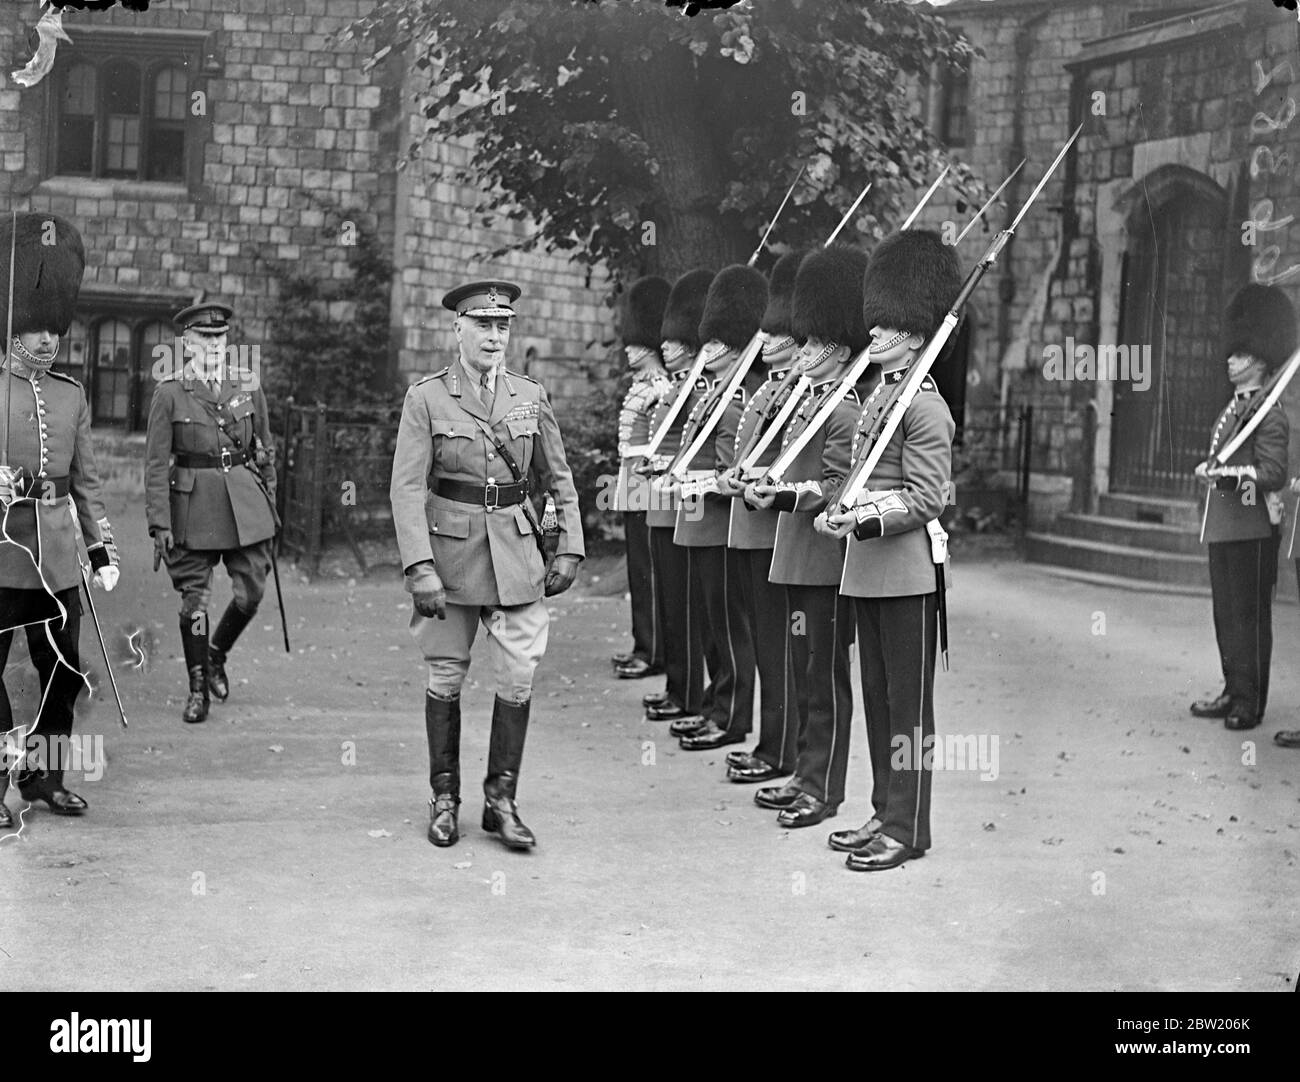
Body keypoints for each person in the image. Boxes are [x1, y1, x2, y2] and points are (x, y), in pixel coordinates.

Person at [390, 279, 584, 851]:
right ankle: (445, 799)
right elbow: (406, 489)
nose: (494, 336)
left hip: (518, 553)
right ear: (458, 329)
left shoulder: (530, 395)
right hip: (449, 555)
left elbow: (560, 477)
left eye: (503, 326)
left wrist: (569, 544)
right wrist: (418, 567)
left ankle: (501, 801)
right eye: (483, 325)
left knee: (519, 674)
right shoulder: (426, 398)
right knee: (446, 673)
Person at [817, 229, 961, 871]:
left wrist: (863, 518)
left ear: (912, 332)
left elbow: (927, 497)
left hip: (904, 571)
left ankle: (908, 826)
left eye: (885, 327)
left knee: (909, 709)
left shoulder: (926, 408)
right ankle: (884, 809)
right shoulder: (880, 398)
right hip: (866, 570)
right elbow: (858, 475)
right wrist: (836, 511)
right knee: (877, 696)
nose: (871, 335)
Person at [745, 245, 872, 827]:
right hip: (794, 555)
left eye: (816, 344)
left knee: (824, 678)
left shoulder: (844, 410)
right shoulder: (810, 403)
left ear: (840, 351)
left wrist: (785, 495)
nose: (805, 351)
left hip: (823, 557)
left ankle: (824, 790)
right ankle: (804, 772)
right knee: (805, 675)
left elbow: (835, 484)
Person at [0, 212, 118, 826]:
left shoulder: (71, 394)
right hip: (1, 557)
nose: (47, 340)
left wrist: (101, 550)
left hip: (56, 560)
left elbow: (87, 481)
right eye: (33, 327)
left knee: (62, 674)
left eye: (54, 328)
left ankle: (42, 777)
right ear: (12, 326)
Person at [145, 300, 279, 725]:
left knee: (251, 594)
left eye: (220, 337)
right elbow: (154, 464)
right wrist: (159, 522)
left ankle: (217, 652)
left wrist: (270, 503)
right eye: (205, 338)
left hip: (243, 502)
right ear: (187, 342)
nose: (214, 345)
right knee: (195, 604)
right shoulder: (170, 392)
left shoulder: (248, 386)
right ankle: (198, 685)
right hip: (192, 506)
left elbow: (266, 449)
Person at [669, 264, 768, 751]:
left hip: (719, 526)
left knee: (730, 628)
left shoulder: (735, 402)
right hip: (697, 525)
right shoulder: (714, 397)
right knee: (712, 625)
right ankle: (715, 700)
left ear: (728, 345)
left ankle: (731, 716)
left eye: (713, 342)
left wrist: (691, 480)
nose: (704, 348)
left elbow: (730, 472)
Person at [717, 249, 804, 783]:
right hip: (749, 528)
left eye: (778, 334)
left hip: (775, 532)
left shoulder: (796, 393)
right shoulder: (768, 391)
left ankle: (783, 750)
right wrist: (732, 479)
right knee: (766, 646)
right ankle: (769, 744)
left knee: (780, 647)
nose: (767, 339)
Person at [1189, 284, 1293, 733]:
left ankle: (1251, 702)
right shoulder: (1234, 408)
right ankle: (1233, 687)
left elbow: (1271, 472)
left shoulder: (1270, 413)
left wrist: (1227, 476)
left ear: (1256, 360)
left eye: (1238, 355)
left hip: (1252, 526)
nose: (1229, 360)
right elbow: (1224, 456)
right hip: (1225, 524)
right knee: (1226, 612)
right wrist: (1210, 468)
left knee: (1250, 618)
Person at [639, 270, 716, 730]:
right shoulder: (677, 388)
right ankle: (677, 685)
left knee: (687, 607)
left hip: (686, 506)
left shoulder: (698, 389)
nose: (664, 347)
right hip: (662, 504)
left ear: (690, 344)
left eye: (673, 341)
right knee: (670, 603)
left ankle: (689, 691)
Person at [610, 276, 672, 680]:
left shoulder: (661, 388)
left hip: (650, 485)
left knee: (651, 571)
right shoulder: (640, 386)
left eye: (635, 343)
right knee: (639, 570)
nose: (628, 348)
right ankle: (642, 642)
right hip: (631, 482)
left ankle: (654, 650)